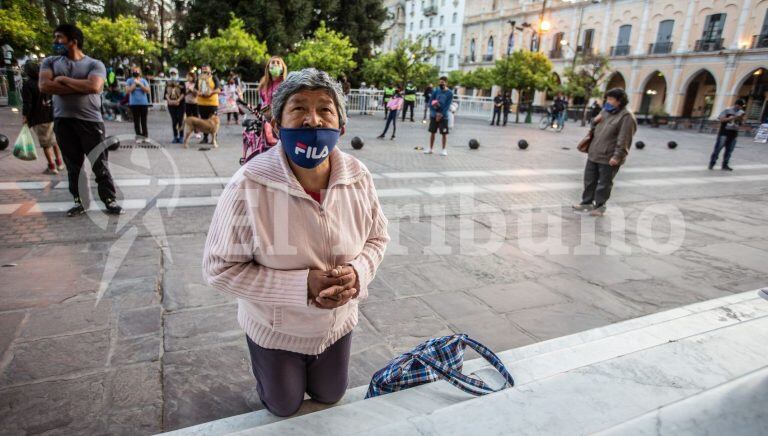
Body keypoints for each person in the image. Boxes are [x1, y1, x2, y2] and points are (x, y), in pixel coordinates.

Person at [203, 68, 389, 418]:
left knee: (331, 395)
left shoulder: (358, 177)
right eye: (299, 108)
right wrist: (301, 285)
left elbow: (377, 237)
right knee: (282, 406)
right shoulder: (249, 185)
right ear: (277, 124)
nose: (312, 120)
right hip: (276, 330)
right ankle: (268, 376)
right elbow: (218, 269)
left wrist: (357, 272)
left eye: (325, 109)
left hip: (337, 325)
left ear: (342, 128)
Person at [39, 23, 122, 216]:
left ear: (73, 41)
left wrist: (63, 80)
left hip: (90, 121)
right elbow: (44, 86)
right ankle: (80, 202)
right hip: (63, 120)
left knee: (99, 163)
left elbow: (94, 87)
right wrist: (80, 86)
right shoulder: (50, 62)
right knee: (73, 166)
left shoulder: (94, 64)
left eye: (59, 37)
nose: (55, 41)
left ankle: (109, 200)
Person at [572, 88, 636, 217]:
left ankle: (600, 207)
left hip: (609, 156)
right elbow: (594, 130)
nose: (607, 101)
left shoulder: (626, 117)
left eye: (611, 99)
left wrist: (617, 156)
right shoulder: (605, 112)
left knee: (604, 184)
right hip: (594, 153)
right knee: (589, 180)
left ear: (620, 101)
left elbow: (624, 139)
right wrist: (594, 121)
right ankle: (586, 203)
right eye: (607, 98)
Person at [22, 60, 64, 175]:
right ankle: (59, 163)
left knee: (45, 144)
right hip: (52, 114)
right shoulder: (46, 82)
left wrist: (25, 116)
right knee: (54, 141)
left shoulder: (28, 85)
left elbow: (27, 103)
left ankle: (52, 166)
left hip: (39, 118)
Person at [709, 98, 745, 171]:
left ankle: (725, 165)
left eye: (741, 106)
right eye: (739, 105)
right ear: (736, 104)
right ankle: (712, 163)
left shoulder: (741, 112)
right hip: (724, 132)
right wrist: (730, 118)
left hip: (734, 134)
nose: (740, 107)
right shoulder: (727, 110)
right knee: (718, 149)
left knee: (729, 151)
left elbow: (742, 123)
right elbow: (721, 119)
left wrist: (740, 119)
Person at [424, 76, 453, 156]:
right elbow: (430, 102)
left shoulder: (450, 93)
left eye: (443, 82)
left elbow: (447, 105)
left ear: (446, 83)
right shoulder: (435, 91)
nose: (441, 84)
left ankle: (444, 150)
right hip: (434, 115)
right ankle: (430, 148)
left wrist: (441, 114)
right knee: (432, 132)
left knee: (444, 133)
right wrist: (435, 113)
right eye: (440, 82)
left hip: (444, 116)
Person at [196, 64, 221, 144]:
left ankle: (214, 139)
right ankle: (205, 138)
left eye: (206, 69)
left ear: (210, 70)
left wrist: (210, 92)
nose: (204, 71)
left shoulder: (214, 78)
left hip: (212, 103)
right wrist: (198, 93)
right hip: (201, 104)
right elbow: (195, 89)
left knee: (213, 122)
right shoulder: (199, 78)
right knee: (204, 122)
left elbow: (218, 89)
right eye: (203, 69)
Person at [126, 66, 151, 142]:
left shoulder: (143, 80)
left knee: (144, 121)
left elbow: (148, 90)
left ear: (140, 73)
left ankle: (145, 136)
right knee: (136, 121)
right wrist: (134, 84)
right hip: (134, 103)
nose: (136, 73)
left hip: (143, 103)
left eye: (137, 71)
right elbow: (127, 91)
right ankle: (138, 136)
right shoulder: (129, 80)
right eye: (134, 71)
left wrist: (140, 84)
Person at [164, 77, 186, 143]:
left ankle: (181, 136)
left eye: (174, 73)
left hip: (180, 104)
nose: (173, 75)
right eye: (171, 73)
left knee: (180, 120)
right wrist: (169, 100)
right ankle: (175, 136)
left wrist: (178, 100)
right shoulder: (168, 83)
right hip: (171, 105)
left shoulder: (181, 82)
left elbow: (183, 93)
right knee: (174, 121)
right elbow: (166, 94)